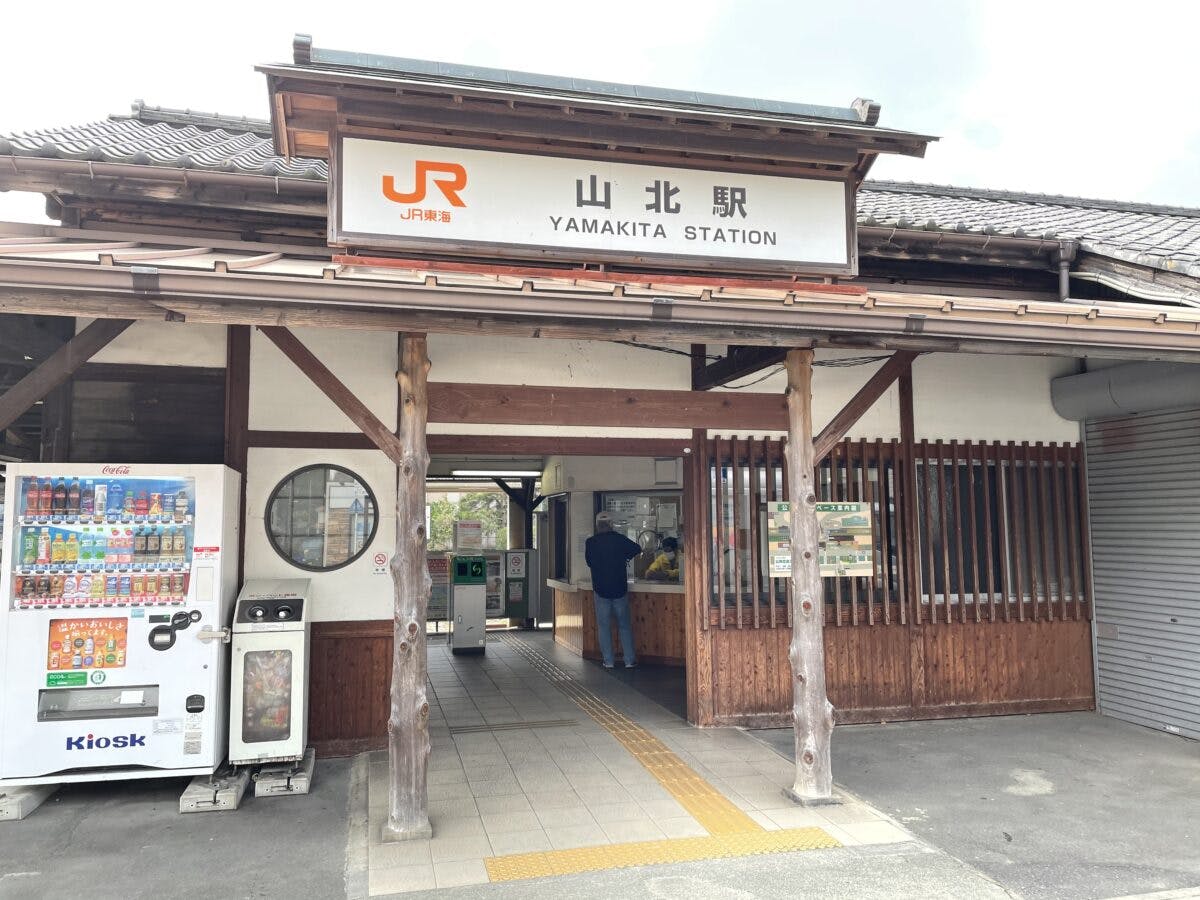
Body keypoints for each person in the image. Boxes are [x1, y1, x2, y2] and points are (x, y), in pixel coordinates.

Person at [584, 511, 641, 669]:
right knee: (624, 625)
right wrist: (624, 557)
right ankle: (629, 660)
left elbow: (589, 562)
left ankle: (608, 661)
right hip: (619, 589)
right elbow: (637, 548)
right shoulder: (619, 539)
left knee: (603, 626)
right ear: (611, 524)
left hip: (600, 589)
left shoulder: (591, 542)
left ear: (597, 525)